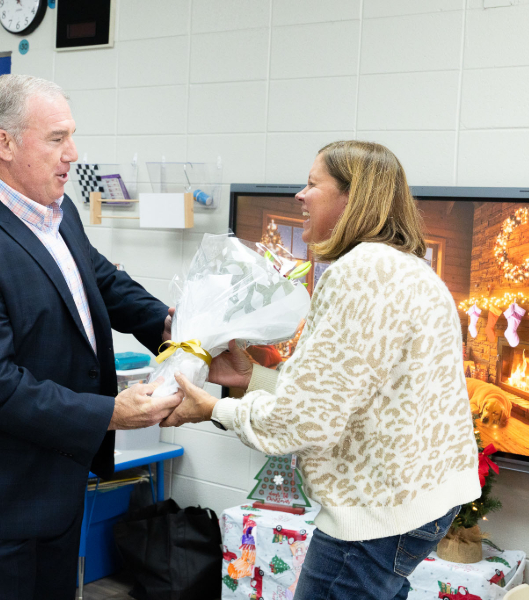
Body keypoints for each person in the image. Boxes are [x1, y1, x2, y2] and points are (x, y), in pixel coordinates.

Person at [164, 140, 482, 600]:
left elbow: (305, 421)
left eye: (312, 184)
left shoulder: (360, 273)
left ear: (353, 197)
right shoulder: (410, 269)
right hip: (424, 501)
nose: (299, 195)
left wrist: (215, 409)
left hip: (377, 513)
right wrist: (251, 378)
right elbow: (355, 396)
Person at [0, 74, 181, 599]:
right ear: (4, 143)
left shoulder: (55, 210)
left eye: (71, 137)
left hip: (55, 482)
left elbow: (97, 278)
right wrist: (110, 413)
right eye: (57, 138)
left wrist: (167, 326)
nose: (72, 153)